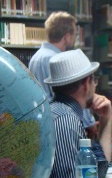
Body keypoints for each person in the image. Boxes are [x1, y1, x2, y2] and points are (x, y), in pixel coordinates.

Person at [32, 49, 112, 178]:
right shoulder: (65, 120)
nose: (95, 85)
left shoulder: (61, 112)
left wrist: (106, 119)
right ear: (86, 83)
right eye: (94, 80)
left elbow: (100, 169)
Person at [28, 11, 98, 139]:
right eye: (75, 35)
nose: (75, 39)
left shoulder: (36, 57)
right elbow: (73, 93)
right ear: (66, 37)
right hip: (63, 125)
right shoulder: (58, 61)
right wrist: (89, 122)